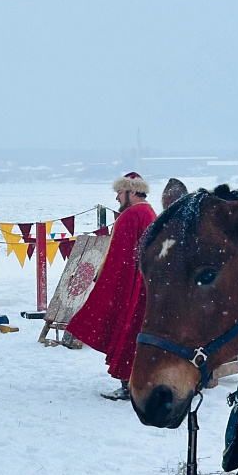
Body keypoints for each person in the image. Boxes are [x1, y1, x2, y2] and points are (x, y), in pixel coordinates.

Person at [66, 171, 157, 401]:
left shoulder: (130, 216)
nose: (117, 198)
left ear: (132, 192)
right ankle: (136, 383)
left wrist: (106, 285)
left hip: (130, 289)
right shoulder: (150, 212)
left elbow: (121, 258)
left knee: (125, 336)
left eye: (120, 192)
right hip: (145, 287)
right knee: (136, 337)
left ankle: (128, 386)